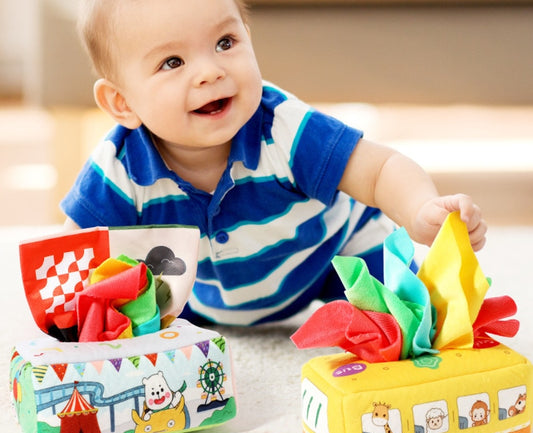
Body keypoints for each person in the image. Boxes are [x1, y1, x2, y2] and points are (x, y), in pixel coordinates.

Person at [62, 0, 487, 326]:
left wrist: (418, 209)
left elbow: (379, 169)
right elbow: (75, 251)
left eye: (225, 43)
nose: (210, 71)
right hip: (201, 296)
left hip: (330, 258)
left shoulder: (283, 127)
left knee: (411, 315)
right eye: (172, 62)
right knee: (146, 322)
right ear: (121, 102)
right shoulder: (118, 168)